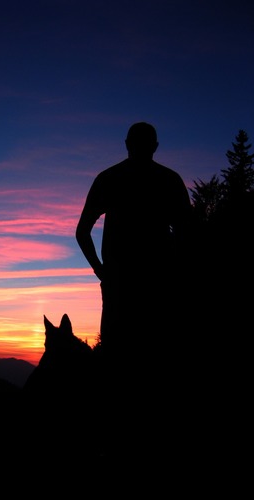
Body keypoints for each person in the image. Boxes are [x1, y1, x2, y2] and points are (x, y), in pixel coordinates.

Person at [76, 122, 192, 364]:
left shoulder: (109, 178)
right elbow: (188, 233)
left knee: (117, 356)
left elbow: (82, 232)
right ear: (156, 147)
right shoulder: (169, 180)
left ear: (127, 144)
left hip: (123, 284)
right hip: (159, 285)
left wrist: (101, 270)